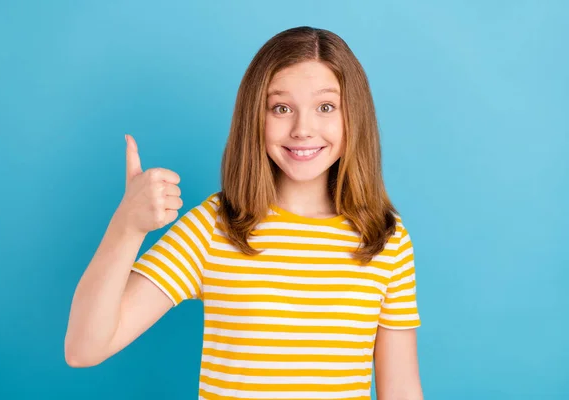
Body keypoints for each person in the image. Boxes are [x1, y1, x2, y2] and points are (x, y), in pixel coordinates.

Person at [65, 26, 423, 400]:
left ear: (355, 115)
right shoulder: (215, 225)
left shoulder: (385, 237)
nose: (303, 129)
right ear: (256, 115)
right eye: (281, 108)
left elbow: (400, 389)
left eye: (325, 107)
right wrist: (127, 227)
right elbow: (84, 349)